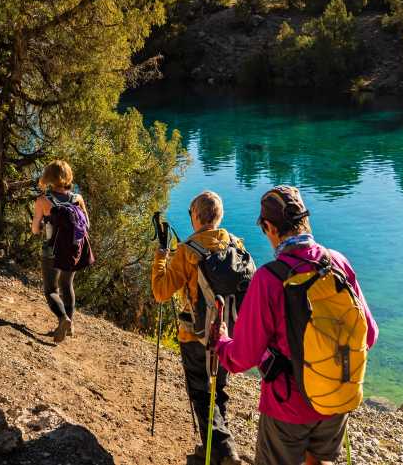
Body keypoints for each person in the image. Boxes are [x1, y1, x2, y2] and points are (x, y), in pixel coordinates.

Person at [214, 185, 378, 465]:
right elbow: (369, 334)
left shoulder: (268, 279)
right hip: (336, 396)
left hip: (287, 406)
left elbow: (242, 358)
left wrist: (221, 340)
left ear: (268, 227)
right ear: (305, 220)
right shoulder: (337, 262)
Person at [152, 191, 245, 465]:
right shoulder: (236, 246)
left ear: (195, 216)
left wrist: (160, 257)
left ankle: (225, 449)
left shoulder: (186, 252)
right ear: (219, 216)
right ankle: (212, 451)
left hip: (194, 335)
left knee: (201, 393)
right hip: (227, 335)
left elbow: (161, 291)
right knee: (219, 391)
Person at [31, 159, 94, 343]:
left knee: (51, 289)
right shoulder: (77, 199)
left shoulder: (43, 201)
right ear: (67, 176)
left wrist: (43, 225)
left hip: (52, 250)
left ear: (48, 178)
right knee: (67, 285)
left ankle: (62, 319)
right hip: (74, 250)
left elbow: (35, 229)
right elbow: (87, 225)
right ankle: (71, 325)